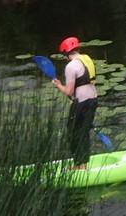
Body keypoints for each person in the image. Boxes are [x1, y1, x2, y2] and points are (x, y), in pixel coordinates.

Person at [52, 36, 98, 169]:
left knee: (74, 133)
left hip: (82, 103)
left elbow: (68, 91)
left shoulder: (71, 66)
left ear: (66, 53)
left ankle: (79, 166)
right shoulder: (87, 59)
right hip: (93, 100)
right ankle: (83, 163)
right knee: (84, 132)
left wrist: (58, 85)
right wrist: (74, 99)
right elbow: (88, 82)